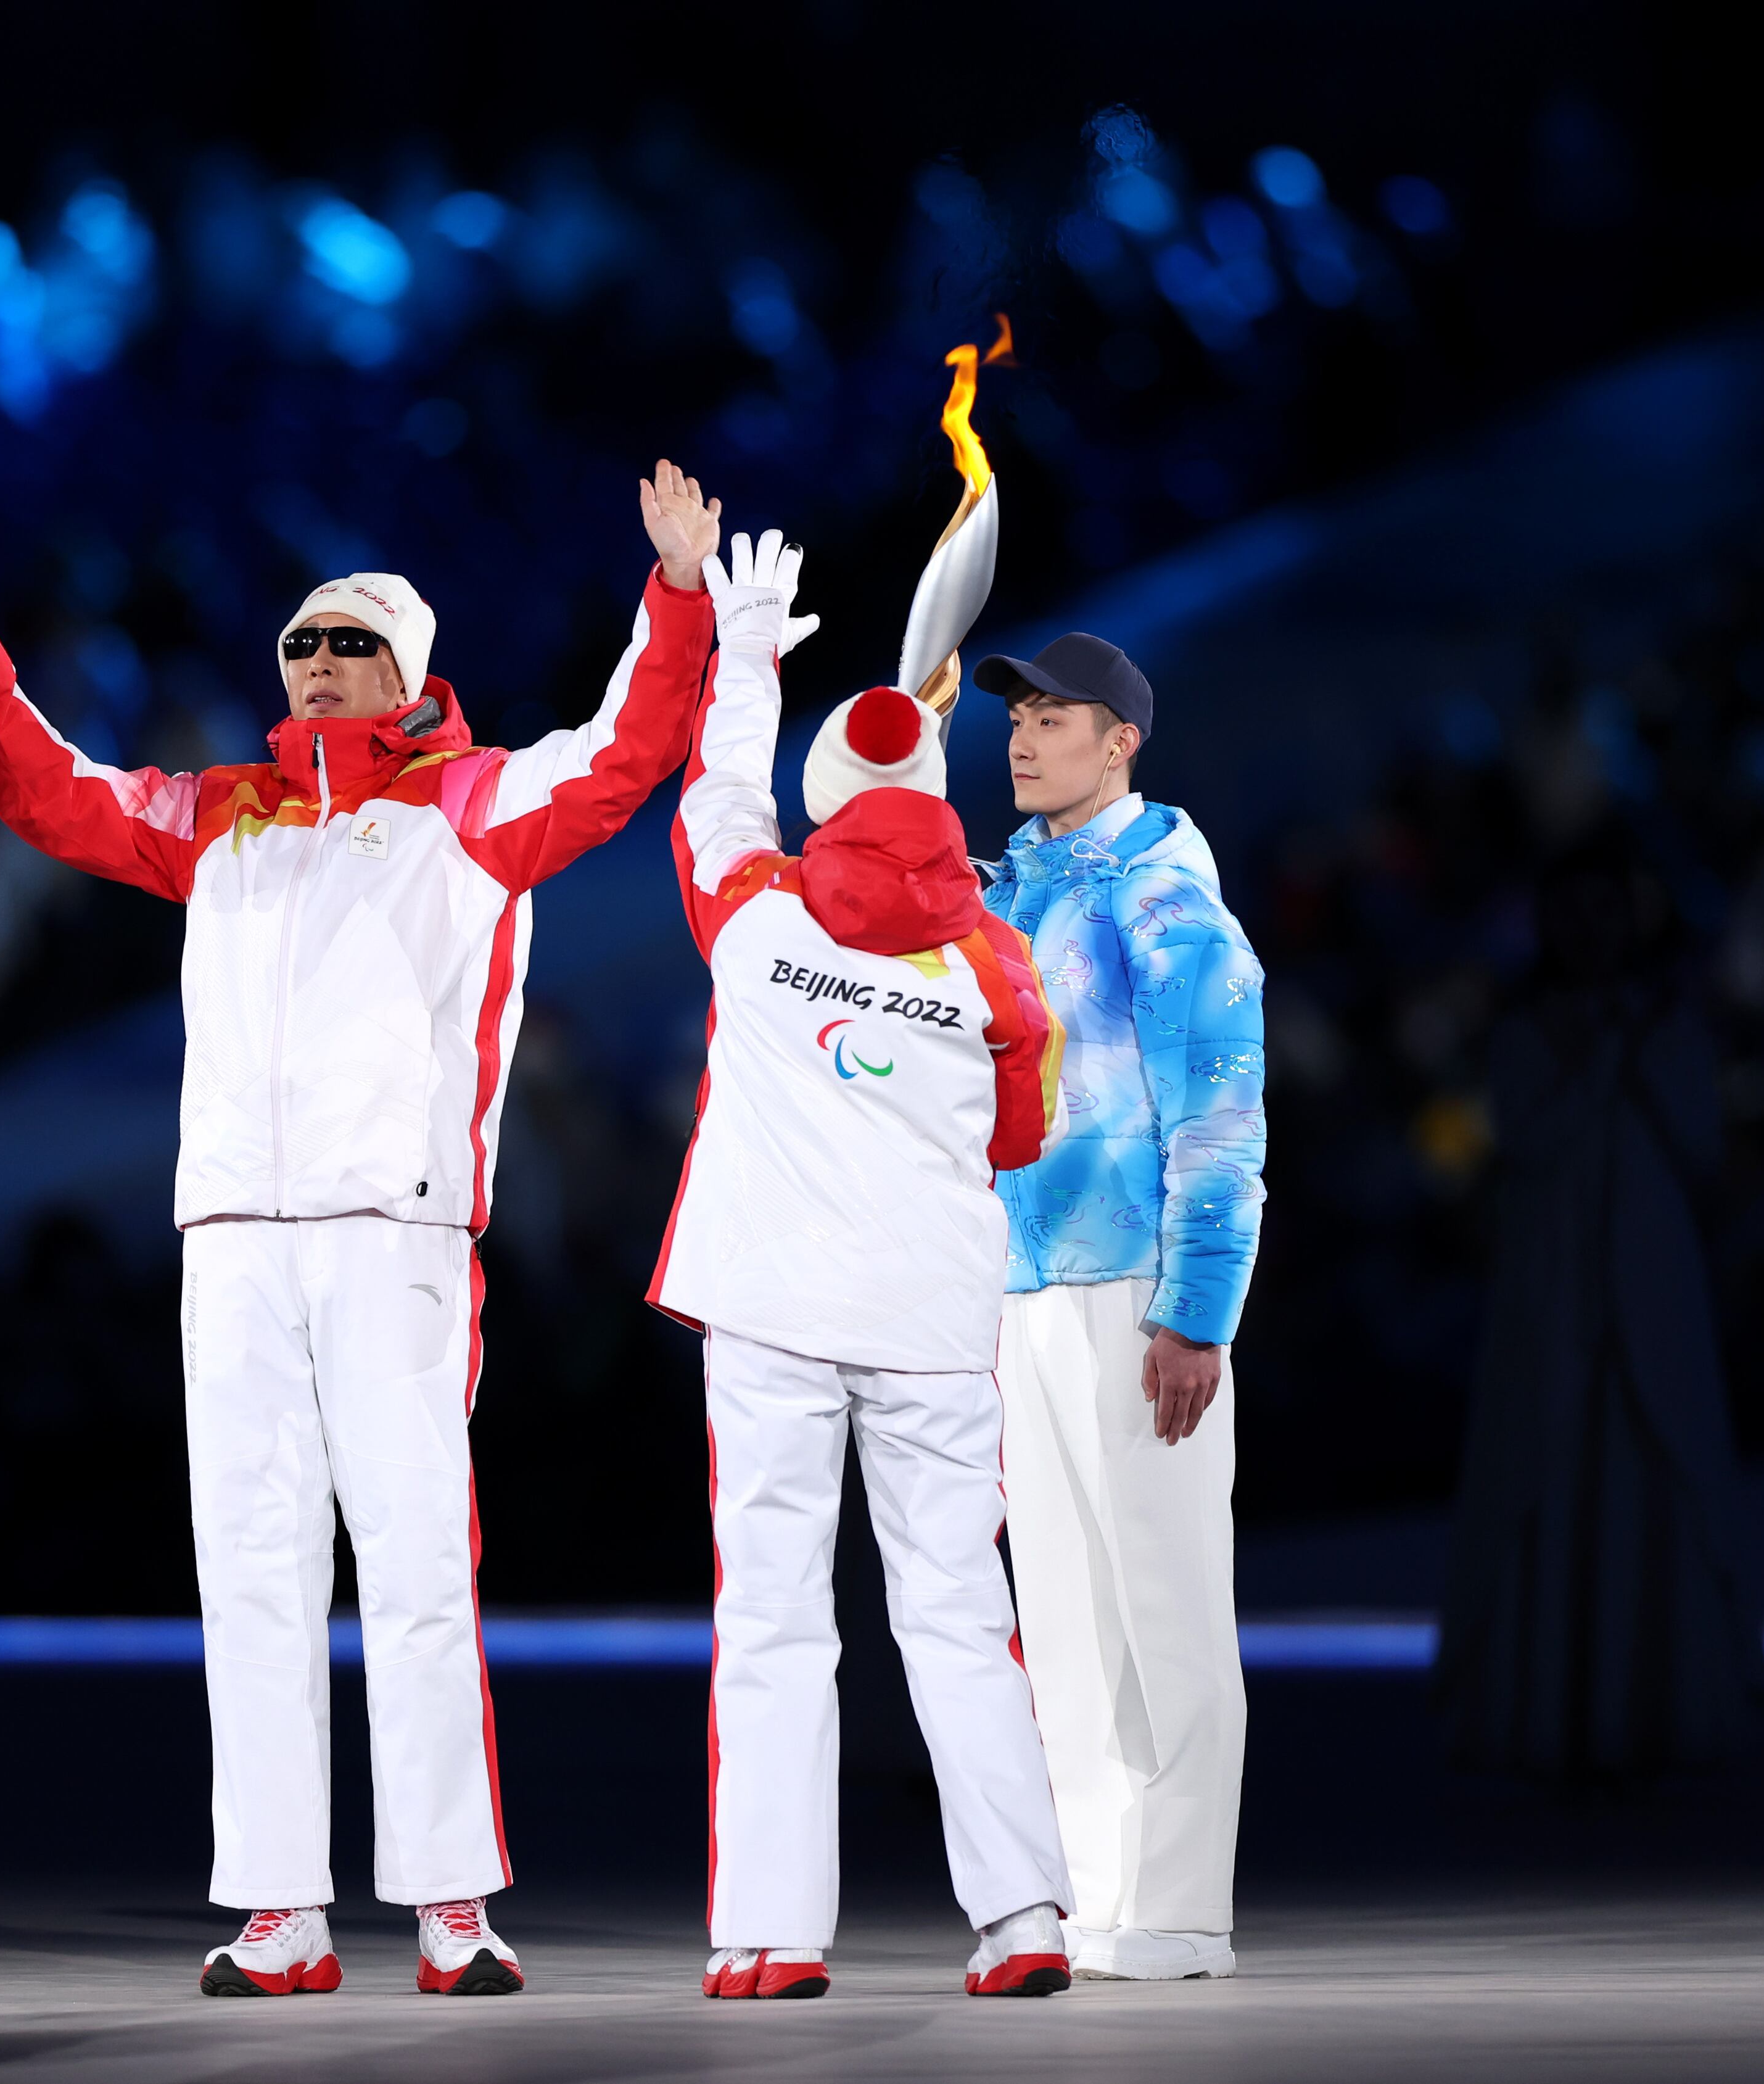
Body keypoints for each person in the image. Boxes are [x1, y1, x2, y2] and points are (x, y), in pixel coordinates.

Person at [0, 461, 725, 1998]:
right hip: (232, 1232)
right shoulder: (222, 816)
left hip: (391, 1230)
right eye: (302, 644)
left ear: (410, 672)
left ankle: (452, 1907)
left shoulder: (474, 804)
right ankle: (280, 1909)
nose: (321, 663)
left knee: (415, 1564)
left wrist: (676, 594)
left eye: (352, 643)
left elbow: (629, 752)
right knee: (252, 1568)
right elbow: (51, 789)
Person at [651, 531, 1076, 2000]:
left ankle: (772, 1935)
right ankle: (1025, 1919)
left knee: (773, 1616)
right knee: (960, 1615)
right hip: (930, 1321)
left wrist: (748, 655)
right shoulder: (998, 967)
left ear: (825, 798)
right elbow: (1020, 1137)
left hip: (771, 1308)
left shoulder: (754, 912)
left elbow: (716, 797)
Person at [971, 633, 1264, 1983]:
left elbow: (1222, 1117)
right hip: (1022, 1290)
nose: (1025, 739)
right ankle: (1098, 1894)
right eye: (1016, 719)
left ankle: (1185, 1908)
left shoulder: (1168, 901)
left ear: (1122, 739)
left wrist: (1196, 1311)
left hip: (1138, 1292)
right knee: (1067, 1614)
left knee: (1167, 1599)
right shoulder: (1009, 895)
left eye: (1055, 717)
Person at [1433, 829, 1764, 1780]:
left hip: (1652, 1280)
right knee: (1547, 1457)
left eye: (1607, 911)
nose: (1591, 931)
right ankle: (1550, 1711)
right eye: (1574, 913)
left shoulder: (1669, 1025)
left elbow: (1700, 1143)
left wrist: (1633, 1046)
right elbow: (1530, 1139)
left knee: (1656, 1461)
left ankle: (1656, 1707)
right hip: (1554, 1281)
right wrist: (1603, 1053)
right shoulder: (1529, 1031)